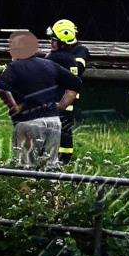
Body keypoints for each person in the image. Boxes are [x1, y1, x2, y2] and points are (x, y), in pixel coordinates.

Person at [0, 31, 82, 168]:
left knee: (26, 166)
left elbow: (2, 88)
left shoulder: (14, 67)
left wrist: (14, 107)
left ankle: (28, 188)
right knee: (50, 166)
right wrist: (62, 106)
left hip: (29, 122)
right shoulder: (49, 64)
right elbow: (75, 84)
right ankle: (49, 188)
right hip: (53, 122)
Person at [46, 19, 89, 162]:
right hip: (58, 93)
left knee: (63, 127)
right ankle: (56, 156)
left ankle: (63, 158)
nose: (50, 43)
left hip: (66, 95)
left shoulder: (80, 51)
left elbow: (78, 69)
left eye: (53, 40)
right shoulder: (59, 53)